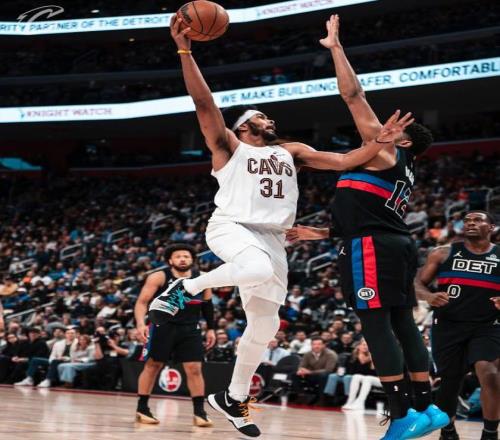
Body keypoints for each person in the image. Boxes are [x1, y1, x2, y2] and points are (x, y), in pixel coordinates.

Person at [148, 16, 415, 438]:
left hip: (273, 240)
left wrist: (382, 141)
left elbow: (345, 161)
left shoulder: (293, 151)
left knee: (265, 326)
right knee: (253, 269)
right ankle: (185, 288)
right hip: (232, 226)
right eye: (261, 117)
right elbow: (204, 103)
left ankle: (233, 397)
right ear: (243, 127)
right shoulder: (228, 146)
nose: (269, 119)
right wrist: (185, 51)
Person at [286, 15, 448, 439]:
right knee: (402, 324)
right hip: (392, 244)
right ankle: (427, 406)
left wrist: (336, 48)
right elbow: (369, 213)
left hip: (373, 248)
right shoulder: (401, 167)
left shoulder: (384, 151)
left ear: (403, 139)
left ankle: (401, 414)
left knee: (376, 327)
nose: (374, 131)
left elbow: (353, 94)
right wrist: (319, 234)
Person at [415, 211, 500, 440]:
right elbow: (417, 283)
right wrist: (429, 296)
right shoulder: (442, 253)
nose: (470, 223)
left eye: (478, 220)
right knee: (450, 381)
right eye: (467, 221)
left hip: (488, 325)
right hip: (448, 325)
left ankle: (490, 434)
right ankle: (448, 431)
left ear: (491, 227)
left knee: (489, 372)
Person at [135, 244, 216, 427]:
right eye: (178, 256)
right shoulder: (159, 276)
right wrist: (140, 323)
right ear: (170, 260)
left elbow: (208, 305)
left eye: (186, 256)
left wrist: (211, 328)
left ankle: (199, 413)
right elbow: (142, 302)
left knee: (194, 368)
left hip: (190, 328)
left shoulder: (203, 278)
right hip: (162, 327)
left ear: (192, 259)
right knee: (153, 365)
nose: (182, 259)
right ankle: (142, 408)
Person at [291, 337, 337, 403]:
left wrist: (310, 372)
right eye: (314, 344)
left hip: (324, 375)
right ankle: (301, 395)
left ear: (324, 345)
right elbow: (302, 366)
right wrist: (301, 370)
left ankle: (321, 398)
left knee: (323, 375)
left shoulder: (330, 354)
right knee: (294, 374)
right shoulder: (308, 354)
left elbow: (329, 369)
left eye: (319, 344)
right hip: (311, 375)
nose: (316, 346)